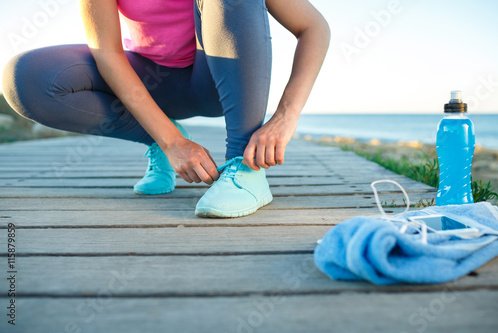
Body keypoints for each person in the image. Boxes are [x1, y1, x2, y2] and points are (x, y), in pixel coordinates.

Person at [2, 0, 330, 218]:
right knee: (27, 78)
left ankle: (245, 167)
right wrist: (170, 140)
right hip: (148, 86)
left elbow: (314, 28)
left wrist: (287, 114)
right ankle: (156, 138)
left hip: (217, 81)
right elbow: (108, 55)